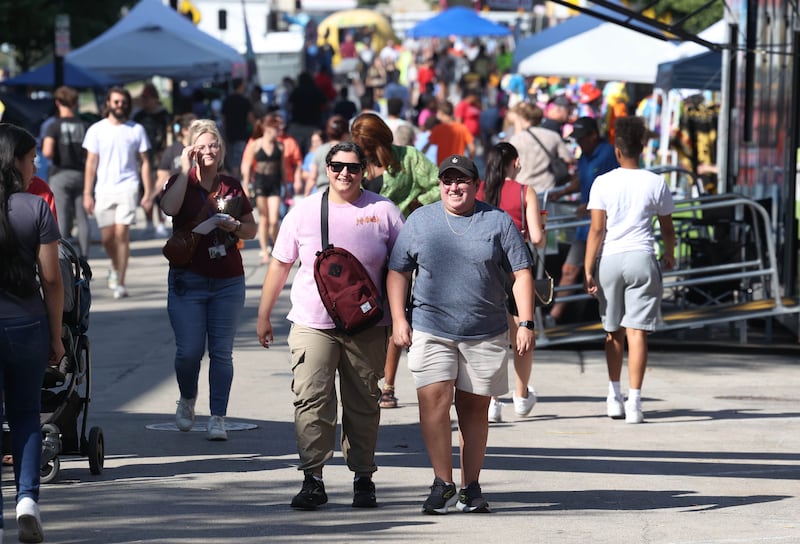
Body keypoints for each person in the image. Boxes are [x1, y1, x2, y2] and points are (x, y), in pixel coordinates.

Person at [256, 141, 405, 510]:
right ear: (326, 169)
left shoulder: (383, 210)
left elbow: (402, 267)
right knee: (311, 400)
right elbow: (280, 264)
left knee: (364, 403)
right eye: (337, 166)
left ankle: (363, 477)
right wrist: (264, 314)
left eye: (353, 168)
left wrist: (403, 317)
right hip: (313, 323)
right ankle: (313, 478)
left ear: (365, 171)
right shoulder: (303, 212)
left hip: (368, 325)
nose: (345, 174)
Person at [386, 154, 534, 515]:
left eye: (462, 180)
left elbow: (522, 272)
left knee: (474, 410)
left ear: (475, 184)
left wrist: (526, 322)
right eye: (448, 180)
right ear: (439, 185)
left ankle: (470, 486)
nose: (455, 187)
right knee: (433, 404)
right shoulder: (421, 220)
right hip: (431, 327)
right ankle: (442, 483)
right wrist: (398, 319)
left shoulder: (497, 221)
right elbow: (398, 271)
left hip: (484, 331)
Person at [159, 119, 256, 441]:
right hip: (188, 280)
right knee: (188, 352)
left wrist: (234, 228)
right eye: (201, 146)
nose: (208, 151)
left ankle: (218, 417)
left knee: (221, 353)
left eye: (213, 145)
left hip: (228, 280)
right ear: (190, 149)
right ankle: (187, 398)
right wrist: (186, 169)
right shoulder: (180, 182)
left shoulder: (231, 185)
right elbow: (169, 208)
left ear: (221, 149)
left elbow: (251, 229)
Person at [584, 116, 675, 424]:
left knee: (613, 332)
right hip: (642, 257)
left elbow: (597, 229)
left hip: (610, 258)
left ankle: (613, 395)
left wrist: (588, 267)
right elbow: (667, 227)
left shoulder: (603, 182)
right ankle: (635, 401)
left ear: (618, 151)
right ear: (643, 147)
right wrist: (671, 254)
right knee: (638, 332)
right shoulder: (655, 181)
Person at [0, 123, 65, 543]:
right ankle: (26, 500)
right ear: (14, 161)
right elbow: (54, 281)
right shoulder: (36, 208)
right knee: (25, 414)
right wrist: (57, 337)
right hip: (27, 324)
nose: (35, 163)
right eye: (30, 157)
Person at [349, 112, 440, 409]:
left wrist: (417, 203)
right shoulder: (355, 162)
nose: (361, 149)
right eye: (358, 143)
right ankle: (362, 379)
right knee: (360, 314)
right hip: (361, 247)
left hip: (399, 247)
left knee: (392, 315)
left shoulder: (408, 158)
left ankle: (386, 385)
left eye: (366, 143)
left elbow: (440, 185)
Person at [476, 142, 545, 423]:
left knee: (495, 334)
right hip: (517, 265)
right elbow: (538, 238)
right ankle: (520, 395)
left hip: (487, 263)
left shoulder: (479, 189)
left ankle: (493, 400)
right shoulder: (524, 191)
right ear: (515, 162)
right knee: (523, 331)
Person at [82, 87, 152, 300]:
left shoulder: (136, 129)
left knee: (122, 233)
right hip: (103, 189)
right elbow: (91, 163)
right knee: (107, 238)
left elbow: (145, 162)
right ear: (109, 104)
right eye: (116, 102)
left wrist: (148, 192)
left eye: (123, 102)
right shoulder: (96, 129)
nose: (119, 105)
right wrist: (87, 193)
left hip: (128, 187)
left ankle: (120, 281)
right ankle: (114, 265)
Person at [547, 116, 619, 324]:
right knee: (570, 269)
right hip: (585, 227)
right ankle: (556, 316)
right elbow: (584, 179)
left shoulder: (608, 154)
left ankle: (599, 317)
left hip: (604, 226)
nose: (578, 142)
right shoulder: (584, 156)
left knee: (598, 274)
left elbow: (615, 185)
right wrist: (564, 192)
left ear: (593, 135)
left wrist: (590, 205)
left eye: (581, 138)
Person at [42, 85, 91, 257]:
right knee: (82, 218)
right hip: (81, 174)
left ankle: (63, 256)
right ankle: (84, 256)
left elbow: (47, 151)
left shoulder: (53, 126)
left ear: (57, 102)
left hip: (60, 174)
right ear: (76, 102)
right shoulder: (84, 125)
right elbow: (89, 152)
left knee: (61, 217)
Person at [241, 113, 284, 262]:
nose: (278, 131)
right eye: (276, 128)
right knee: (264, 219)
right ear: (267, 128)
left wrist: (287, 186)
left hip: (274, 182)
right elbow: (246, 165)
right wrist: (245, 184)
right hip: (260, 181)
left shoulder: (280, 145)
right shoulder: (255, 144)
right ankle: (264, 250)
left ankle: (278, 249)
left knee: (274, 220)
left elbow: (282, 167)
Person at [507, 102, 574, 195]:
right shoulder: (553, 136)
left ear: (524, 118)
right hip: (547, 188)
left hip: (523, 188)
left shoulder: (515, 140)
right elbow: (567, 159)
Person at [133, 83, 171, 238]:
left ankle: (161, 223)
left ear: (155, 99)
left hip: (160, 157)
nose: (145, 101)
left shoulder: (164, 115)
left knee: (160, 190)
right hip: (143, 158)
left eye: (147, 98)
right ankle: (149, 223)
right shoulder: (139, 116)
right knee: (145, 190)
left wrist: (166, 153)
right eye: (144, 98)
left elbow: (168, 135)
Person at [221, 78, 255, 180]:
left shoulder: (227, 100)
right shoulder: (244, 101)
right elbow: (251, 119)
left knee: (233, 160)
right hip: (241, 135)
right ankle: (237, 183)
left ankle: (235, 181)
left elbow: (223, 120)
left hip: (230, 135)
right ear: (240, 86)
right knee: (239, 160)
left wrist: (224, 134)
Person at [422, 100, 475, 165]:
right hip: (458, 166)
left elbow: (426, 147)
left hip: (443, 167)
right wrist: (468, 163)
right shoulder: (462, 128)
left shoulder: (438, 129)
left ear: (441, 113)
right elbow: (472, 149)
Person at [308, 115, 349, 195]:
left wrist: (306, 195)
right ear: (345, 132)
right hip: (344, 194)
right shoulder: (350, 152)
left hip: (322, 192)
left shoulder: (320, 150)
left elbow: (312, 177)